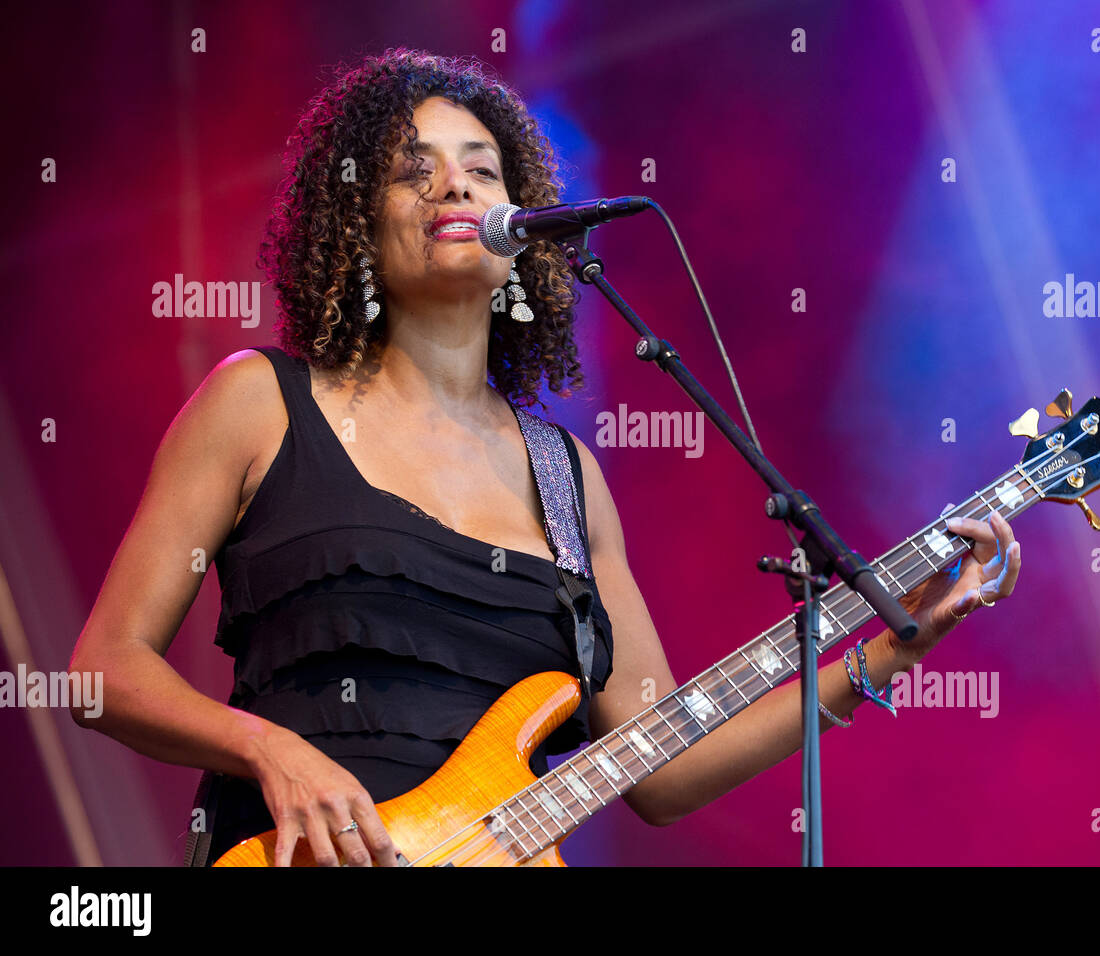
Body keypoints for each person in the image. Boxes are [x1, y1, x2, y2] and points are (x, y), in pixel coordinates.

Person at [68, 49, 1021, 867]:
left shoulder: (566, 478)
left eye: (483, 170)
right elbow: (101, 671)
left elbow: (665, 767)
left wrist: (892, 653)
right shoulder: (259, 402)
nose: (458, 187)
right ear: (354, 225)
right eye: (415, 169)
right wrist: (269, 749)